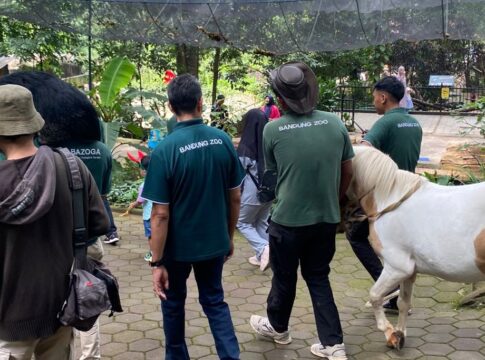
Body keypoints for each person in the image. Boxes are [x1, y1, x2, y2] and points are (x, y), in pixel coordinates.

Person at [0, 71, 113, 360]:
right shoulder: (72, 167)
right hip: (61, 304)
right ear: (36, 123)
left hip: (10, 314)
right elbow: (98, 224)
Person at [249, 62, 354, 360]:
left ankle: (278, 328)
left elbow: (273, 177)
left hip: (287, 221)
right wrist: (335, 200)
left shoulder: (272, 130)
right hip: (325, 218)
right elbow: (348, 169)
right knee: (318, 277)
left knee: (284, 278)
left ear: (280, 99)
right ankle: (334, 345)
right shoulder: (334, 123)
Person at [142, 74, 244, 360]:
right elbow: (235, 195)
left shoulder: (165, 151)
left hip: (176, 249)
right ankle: (230, 356)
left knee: (173, 304)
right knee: (215, 301)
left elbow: (160, 215)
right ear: (201, 103)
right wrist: (229, 235)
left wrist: (156, 261)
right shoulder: (222, 140)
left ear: (171, 107)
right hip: (214, 242)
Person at [346, 75, 423, 312]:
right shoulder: (413, 122)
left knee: (357, 237)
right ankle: (398, 296)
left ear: (383, 97)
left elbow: (363, 153)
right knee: (397, 248)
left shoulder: (385, 123)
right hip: (408, 194)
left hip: (384, 196)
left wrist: (360, 143)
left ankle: (389, 291)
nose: (373, 102)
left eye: (374, 97)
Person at [236, 108, 271, 271]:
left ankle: (264, 249)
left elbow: (238, 173)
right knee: (262, 223)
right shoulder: (270, 143)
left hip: (253, 193)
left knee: (242, 222)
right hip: (269, 192)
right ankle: (264, 255)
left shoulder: (245, 147)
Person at [122, 154, 153, 262]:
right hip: (159, 214)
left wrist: (132, 205)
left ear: (144, 171)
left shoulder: (143, 185)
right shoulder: (160, 182)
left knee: (151, 236)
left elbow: (140, 201)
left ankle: (153, 254)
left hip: (149, 216)